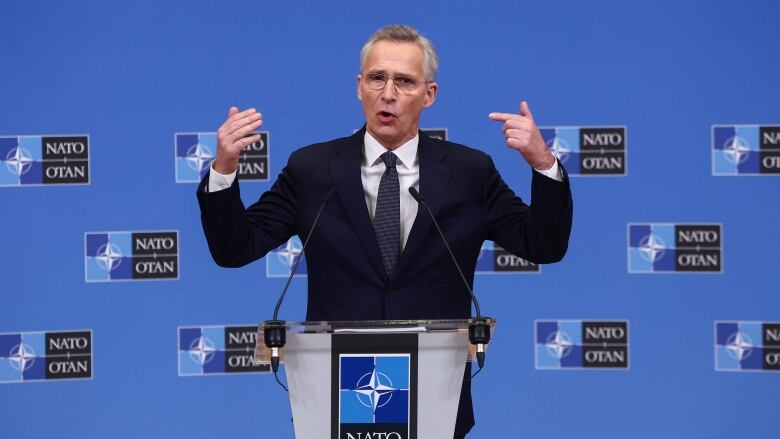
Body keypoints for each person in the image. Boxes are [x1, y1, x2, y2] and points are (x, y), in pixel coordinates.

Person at [197, 24, 572, 439]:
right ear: (360, 87)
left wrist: (543, 164)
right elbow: (235, 248)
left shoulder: (469, 172)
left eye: (404, 81)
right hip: (336, 396)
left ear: (429, 94)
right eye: (377, 78)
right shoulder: (312, 170)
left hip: (436, 398)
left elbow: (544, 244)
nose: (388, 93)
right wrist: (224, 171)